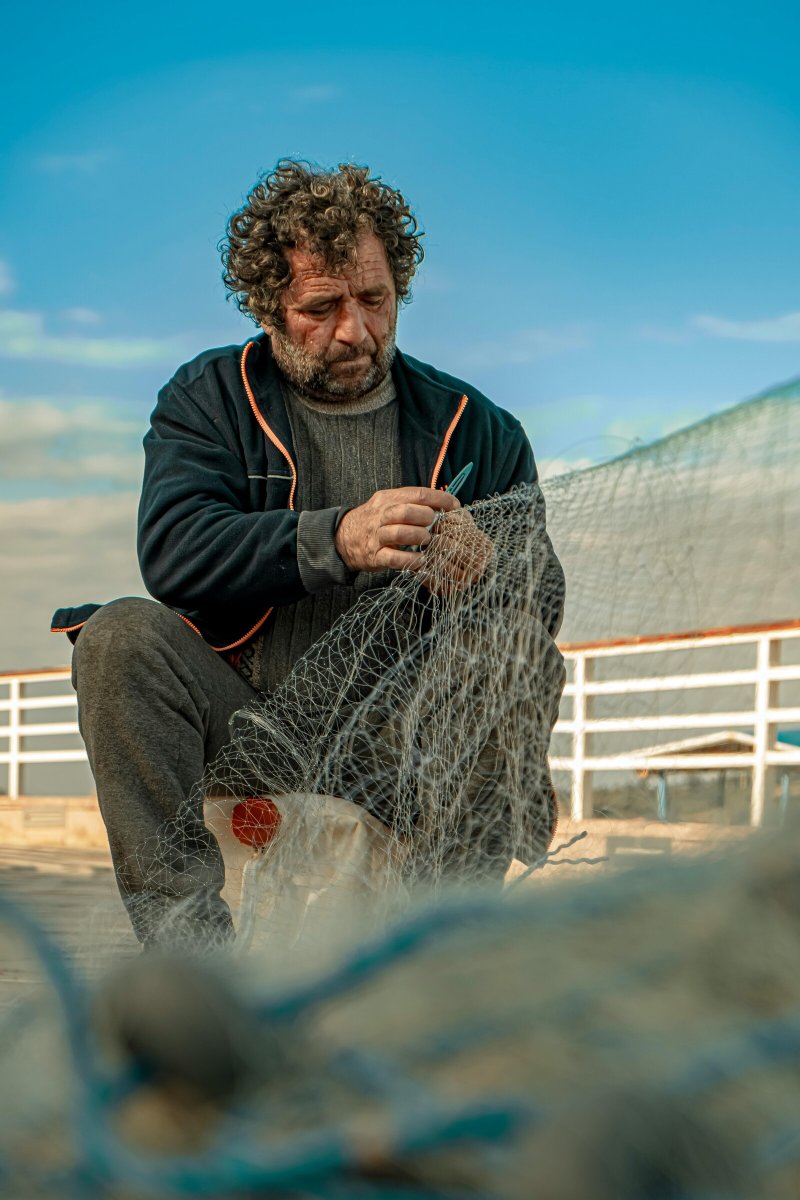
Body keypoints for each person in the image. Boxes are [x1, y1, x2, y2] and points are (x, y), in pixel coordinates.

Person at [51, 160, 566, 948]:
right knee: (120, 636)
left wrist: (487, 569)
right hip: (248, 728)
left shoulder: (481, 427)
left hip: (405, 744)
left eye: (375, 300)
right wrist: (338, 538)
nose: (355, 330)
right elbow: (174, 552)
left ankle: (442, 954)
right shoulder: (208, 396)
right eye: (321, 307)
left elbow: (542, 605)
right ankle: (195, 967)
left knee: (514, 643)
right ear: (266, 308)